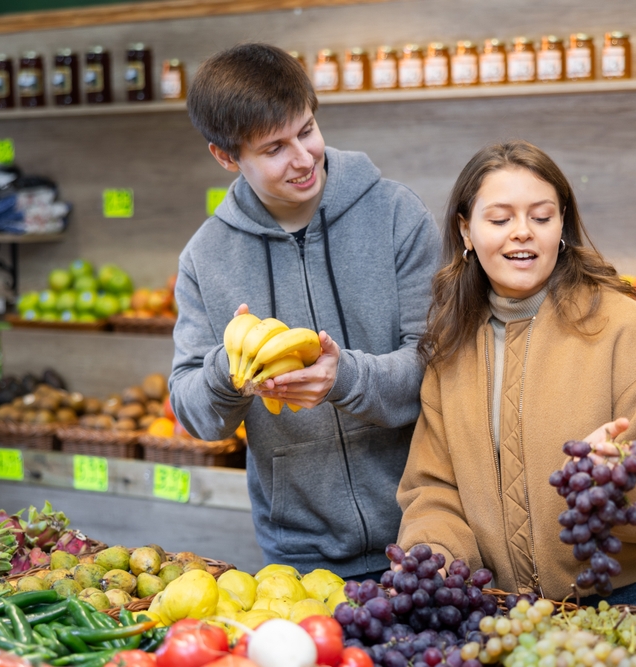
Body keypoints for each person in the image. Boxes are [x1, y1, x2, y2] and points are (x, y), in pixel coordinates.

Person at [395, 140, 636, 611]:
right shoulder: (451, 347)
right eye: (500, 219)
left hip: (635, 603)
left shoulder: (622, 326)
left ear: (562, 224)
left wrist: (618, 482)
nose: (522, 233)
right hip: (510, 613)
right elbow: (434, 489)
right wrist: (436, 560)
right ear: (466, 230)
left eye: (541, 217)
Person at [170, 43, 440, 580]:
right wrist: (228, 371)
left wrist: (347, 377)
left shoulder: (395, 214)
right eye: (274, 148)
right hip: (300, 555)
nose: (302, 158)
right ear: (226, 156)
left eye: (307, 131)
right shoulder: (206, 257)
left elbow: (439, 363)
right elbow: (194, 413)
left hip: (430, 529)